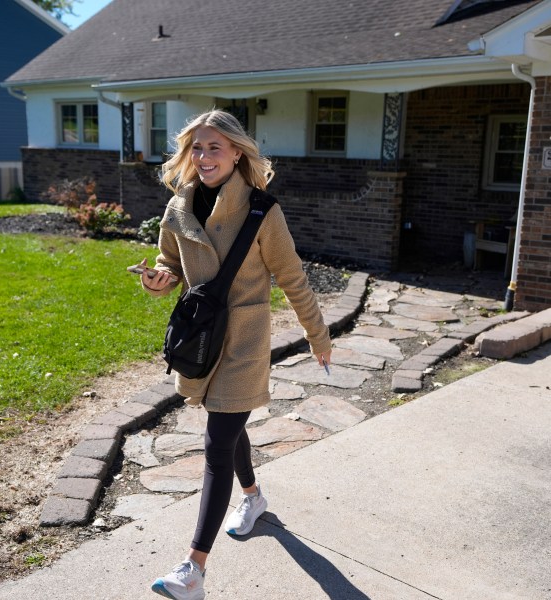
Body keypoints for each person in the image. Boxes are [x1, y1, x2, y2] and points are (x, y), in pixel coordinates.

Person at [139, 109, 332, 600]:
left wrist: (317, 335)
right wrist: (157, 279)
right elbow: (168, 263)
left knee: (216, 440)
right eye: (197, 149)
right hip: (201, 338)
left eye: (214, 148)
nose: (203, 158)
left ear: (238, 153)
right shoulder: (177, 208)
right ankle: (254, 497)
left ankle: (193, 570)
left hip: (244, 339)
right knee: (229, 427)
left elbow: (292, 277)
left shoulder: (262, 211)